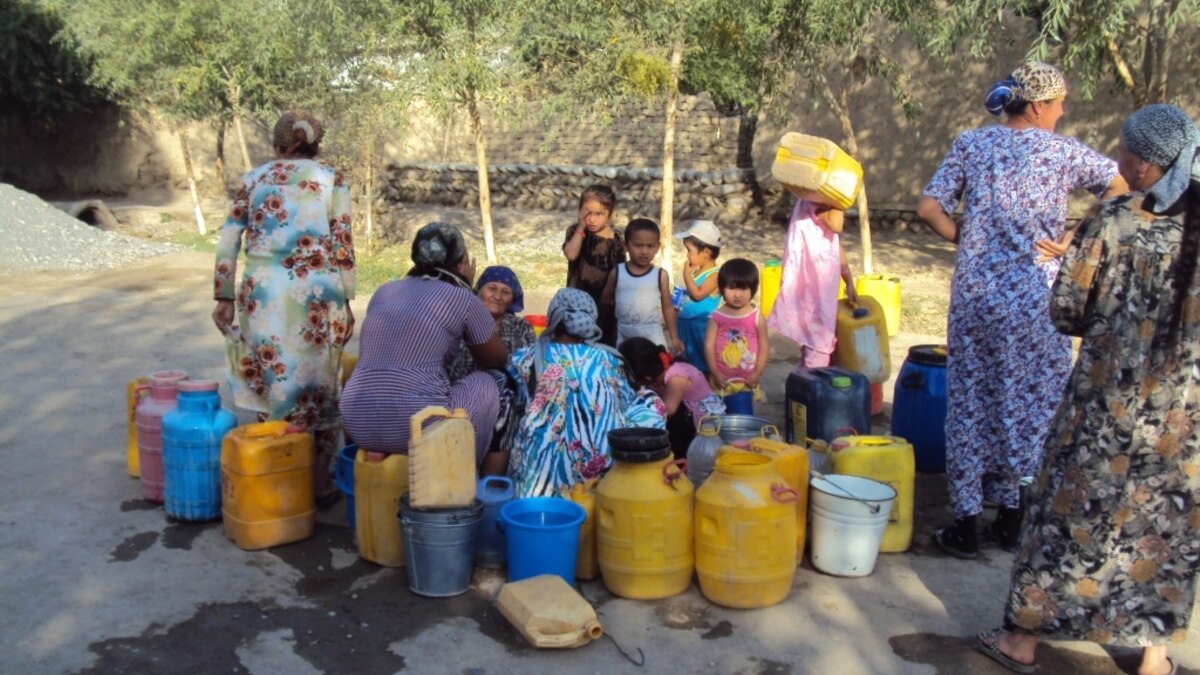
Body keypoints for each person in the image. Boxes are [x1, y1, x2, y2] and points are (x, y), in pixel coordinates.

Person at [973, 104, 1200, 675]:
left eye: (1126, 151)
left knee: (1063, 513)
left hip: (1102, 409)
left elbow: (1067, 309)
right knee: (1160, 528)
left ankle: (1021, 642)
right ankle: (1153, 657)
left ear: (1148, 164)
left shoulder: (1115, 220)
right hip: (1181, 421)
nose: (1119, 160)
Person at [916, 61, 1128, 558]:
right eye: (1059, 102)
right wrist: (1076, 238)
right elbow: (1120, 187)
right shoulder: (1061, 152)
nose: (1063, 110)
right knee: (1030, 404)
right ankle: (1014, 518)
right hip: (1036, 299)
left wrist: (966, 240)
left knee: (971, 402)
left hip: (975, 299)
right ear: (1037, 106)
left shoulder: (972, 143)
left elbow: (929, 208)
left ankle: (966, 524)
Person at [212, 110, 355, 504]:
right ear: (315, 144)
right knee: (319, 385)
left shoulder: (253, 179)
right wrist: (347, 298)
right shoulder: (332, 180)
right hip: (318, 293)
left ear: (279, 144)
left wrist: (224, 295)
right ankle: (319, 485)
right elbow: (342, 244)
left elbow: (228, 242)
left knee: (273, 382)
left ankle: (278, 478)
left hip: (264, 296)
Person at [339, 222, 507, 465]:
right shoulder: (462, 298)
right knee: (492, 382)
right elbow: (496, 359)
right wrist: (466, 286)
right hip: (418, 426)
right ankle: (475, 476)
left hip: (357, 421)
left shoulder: (384, 291)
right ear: (460, 262)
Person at [508, 288, 666, 498]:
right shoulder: (610, 360)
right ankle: (638, 478)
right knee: (648, 400)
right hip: (600, 476)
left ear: (553, 317)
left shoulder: (525, 358)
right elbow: (625, 402)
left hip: (538, 482)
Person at [446, 265, 535, 475]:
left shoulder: (521, 328)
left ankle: (492, 487)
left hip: (507, 406)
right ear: (478, 291)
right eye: (491, 288)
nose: (497, 296)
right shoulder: (458, 322)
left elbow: (529, 372)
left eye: (505, 292)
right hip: (462, 401)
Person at [767, 199, 858, 368]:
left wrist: (849, 281)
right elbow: (836, 225)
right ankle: (811, 386)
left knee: (812, 346)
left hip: (813, 290)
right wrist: (840, 200)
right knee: (819, 348)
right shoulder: (817, 204)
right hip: (815, 293)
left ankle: (801, 386)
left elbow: (835, 245)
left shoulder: (809, 202)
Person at [620, 336, 725, 457]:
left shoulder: (676, 377)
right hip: (688, 419)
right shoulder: (658, 378)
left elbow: (667, 411)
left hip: (707, 427)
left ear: (645, 378)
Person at [601, 218, 683, 352]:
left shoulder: (660, 275)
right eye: (638, 245)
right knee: (625, 368)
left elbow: (667, 307)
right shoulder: (617, 272)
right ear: (626, 246)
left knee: (657, 368)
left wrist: (674, 337)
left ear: (658, 246)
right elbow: (606, 300)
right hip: (624, 333)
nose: (644, 251)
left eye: (650, 246)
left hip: (652, 333)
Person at [563, 184, 625, 345]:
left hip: (604, 303)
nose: (592, 219)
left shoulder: (616, 239)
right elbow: (571, 254)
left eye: (599, 214)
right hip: (577, 302)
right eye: (587, 212)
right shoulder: (575, 232)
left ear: (610, 214)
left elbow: (620, 272)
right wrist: (580, 229)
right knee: (576, 341)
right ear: (579, 211)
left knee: (602, 344)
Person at [705, 258, 770, 398]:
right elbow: (709, 346)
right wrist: (715, 372)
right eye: (732, 288)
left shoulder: (757, 317)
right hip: (721, 381)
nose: (738, 294)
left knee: (743, 415)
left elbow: (764, 346)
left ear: (753, 289)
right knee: (720, 417)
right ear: (722, 288)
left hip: (747, 382)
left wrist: (757, 373)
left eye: (743, 288)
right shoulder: (716, 317)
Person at [674, 220, 722, 372]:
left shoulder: (715, 275)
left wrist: (686, 275)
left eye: (690, 251)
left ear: (706, 252)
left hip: (700, 330)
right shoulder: (695, 271)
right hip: (684, 326)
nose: (687, 255)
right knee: (685, 365)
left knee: (702, 365)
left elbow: (697, 294)